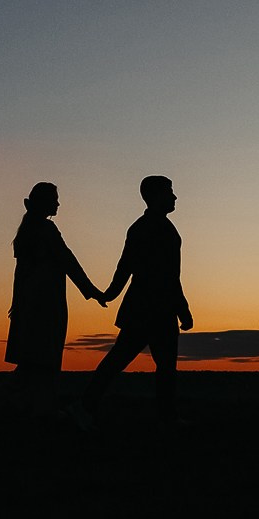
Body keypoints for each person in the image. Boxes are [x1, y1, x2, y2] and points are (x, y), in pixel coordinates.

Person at [78, 174, 190, 426]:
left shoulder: (151, 227)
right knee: (123, 361)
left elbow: (162, 273)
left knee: (154, 365)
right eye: (169, 192)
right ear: (155, 196)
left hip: (153, 308)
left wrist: (110, 293)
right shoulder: (147, 228)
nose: (174, 197)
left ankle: (166, 416)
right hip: (149, 309)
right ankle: (84, 406)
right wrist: (110, 293)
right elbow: (133, 267)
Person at [5, 181, 103, 416]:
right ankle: (38, 408)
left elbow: (20, 273)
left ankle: (24, 405)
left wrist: (17, 302)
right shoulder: (46, 229)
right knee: (45, 358)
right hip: (45, 303)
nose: (58, 204)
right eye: (54, 200)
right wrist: (91, 290)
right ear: (44, 203)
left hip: (30, 302)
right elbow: (67, 260)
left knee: (32, 360)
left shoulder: (28, 230)